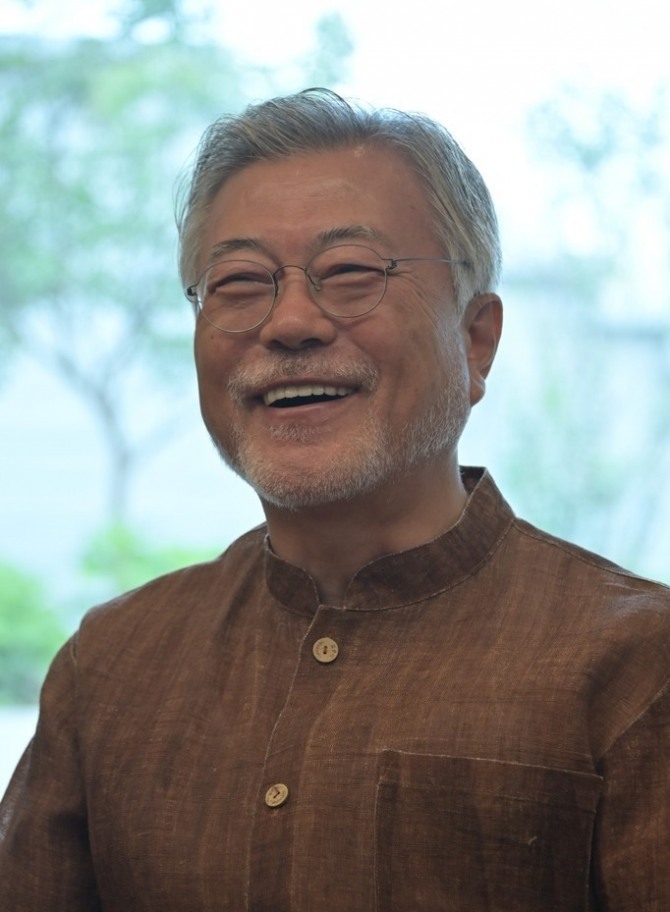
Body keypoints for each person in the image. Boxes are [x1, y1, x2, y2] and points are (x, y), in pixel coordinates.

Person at [1, 87, 669, 911]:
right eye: (238, 283)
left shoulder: (638, 665)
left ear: (476, 339)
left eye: (351, 273)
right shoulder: (112, 666)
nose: (289, 323)